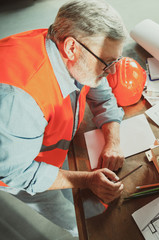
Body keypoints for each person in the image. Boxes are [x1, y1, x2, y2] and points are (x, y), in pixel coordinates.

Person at [0, 0, 127, 236]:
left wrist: (113, 140)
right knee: (74, 220)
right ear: (71, 48)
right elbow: (18, 174)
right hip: (20, 169)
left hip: (43, 151)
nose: (111, 72)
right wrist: (86, 180)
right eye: (108, 63)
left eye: (115, 61)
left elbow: (103, 97)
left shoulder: (74, 54)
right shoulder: (18, 100)